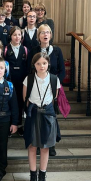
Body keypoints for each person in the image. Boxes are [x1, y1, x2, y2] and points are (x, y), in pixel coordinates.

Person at [23, 53, 60, 181]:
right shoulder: (29, 79)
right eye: (38, 63)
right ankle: (33, 177)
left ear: (48, 64)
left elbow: (54, 97)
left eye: (44, 63)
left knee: (45, 147)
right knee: (32, 146)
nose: (41, 66)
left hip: (47, 115)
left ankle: (42, 178)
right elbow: (25, 98)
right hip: (33, 114)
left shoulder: (54, 79)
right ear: (34, 65)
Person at [28, 24, 65, 156]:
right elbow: (30, 67)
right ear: (38, 36)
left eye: (47, 32)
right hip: (37, 86)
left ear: (50, 35)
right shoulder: (34, 50)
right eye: (42, 32)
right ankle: (38, 143)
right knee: (38, 118)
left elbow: (62, 70)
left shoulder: (57, 50)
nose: (45, 34)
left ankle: (51, 144)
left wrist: (55, 82)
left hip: (52, 86)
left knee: (51, 117)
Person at [4, 27, 28, 135]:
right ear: (10, 36)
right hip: (10, 81)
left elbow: (27, 66)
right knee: (10, 102)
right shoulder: (5, 49)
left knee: (21, 103)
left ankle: (19, 125)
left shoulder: (25, 49)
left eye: (19, 35)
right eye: (14, 35)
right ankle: (10, 125)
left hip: (22, 81)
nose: (17, 37)